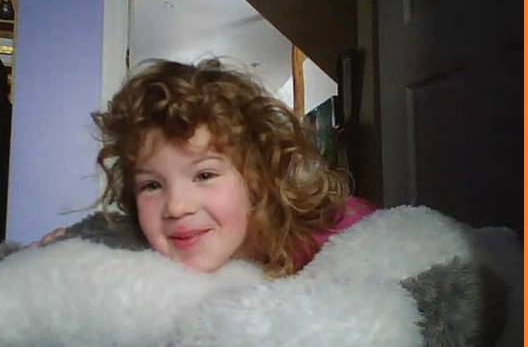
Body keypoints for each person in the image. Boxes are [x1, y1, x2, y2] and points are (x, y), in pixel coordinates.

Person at [35, 58, 376, 277]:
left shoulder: (335, 233)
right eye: (152, 185)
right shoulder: (157, 242)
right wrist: (74, 245)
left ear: (258, 177)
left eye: (205, 175)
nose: (176, 207)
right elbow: (114, 239)